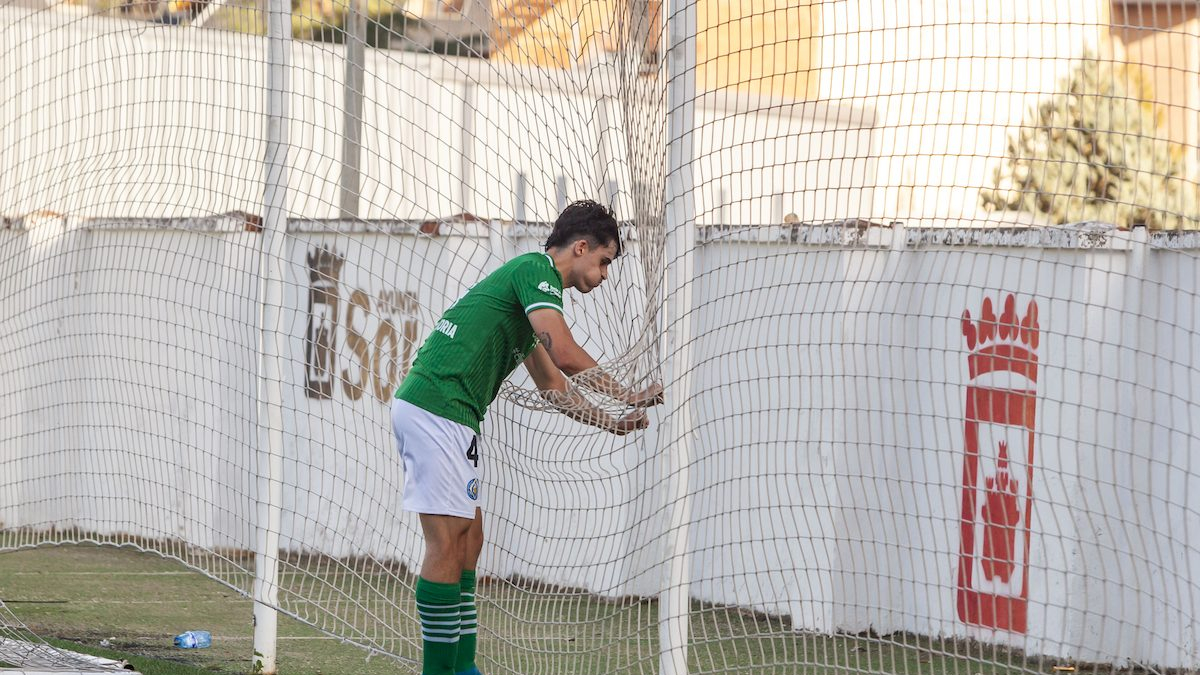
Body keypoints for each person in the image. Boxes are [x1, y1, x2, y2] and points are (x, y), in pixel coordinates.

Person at [391, 199, 663, 675]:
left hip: (453, 416)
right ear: (580, 247)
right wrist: (629, 393)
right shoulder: (535, 269)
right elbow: (564, 352)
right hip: (435, 407)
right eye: (603, 262)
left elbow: (554, 386)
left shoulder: (527, 302)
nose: (603, 276)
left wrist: (613, 422)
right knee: (446, 541)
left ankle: (463, 666)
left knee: (470, 538)